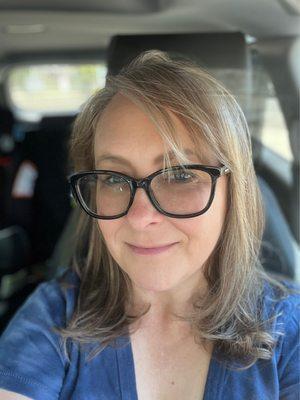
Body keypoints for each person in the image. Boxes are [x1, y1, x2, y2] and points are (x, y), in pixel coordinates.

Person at [0, 50, 299, 400]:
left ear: (235, 193)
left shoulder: (290, 329)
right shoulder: (53, 318)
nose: (141, 218)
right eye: (113, 179)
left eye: (181, 175)